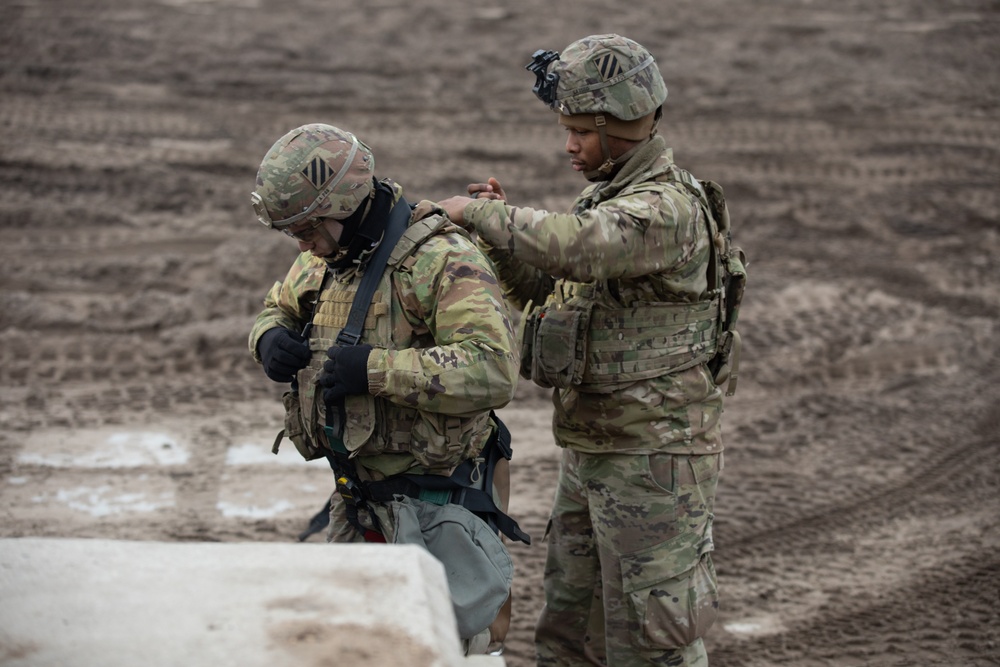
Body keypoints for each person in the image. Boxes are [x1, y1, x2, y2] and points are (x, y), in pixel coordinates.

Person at [439, 34, 746, 667]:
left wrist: (476, 215)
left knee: (649, 640)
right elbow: (549, 291)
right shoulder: (608, 198)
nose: (570, 145)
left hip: (653, 457)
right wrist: (501, 238)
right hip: (594, 447)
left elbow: (577, 245)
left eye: (580, 131)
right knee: (569, 632)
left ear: (616, 127)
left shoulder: (664, 209)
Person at [247, 123, 528, 655]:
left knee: (452, 651)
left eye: (307, 228)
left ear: (346, 204)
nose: (302, 243)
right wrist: (268, 340)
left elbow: (493, 368)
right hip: (358, 504)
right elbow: (275, 308)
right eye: (293, 233)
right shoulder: (325, 257)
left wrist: (375, 369)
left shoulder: (439, 257)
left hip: (438, 511)